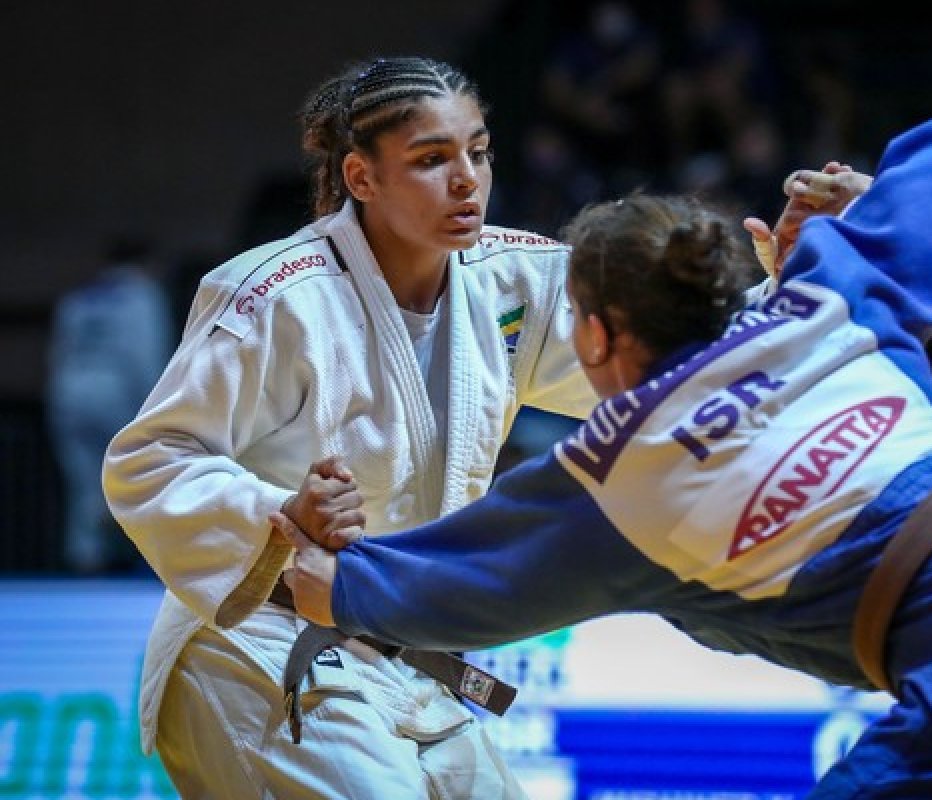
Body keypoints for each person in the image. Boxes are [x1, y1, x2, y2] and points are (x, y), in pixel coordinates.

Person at [273, 120, 932, 797]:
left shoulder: (610, 483)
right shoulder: (832, 295)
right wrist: (866, 209)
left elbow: (366, 589)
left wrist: (310, 550)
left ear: (593, 336)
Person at [102, 56, 604, 798]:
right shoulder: (276, 294)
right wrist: (281, 517)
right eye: (432, 159)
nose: (467, 178)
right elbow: (150, 459)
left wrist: (795, 274)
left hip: (404, 656)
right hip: (257, 645)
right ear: (361, 178)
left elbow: (658, 347)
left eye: (478, 150)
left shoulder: (514, 282)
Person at [47, 236, 173, 574]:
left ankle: (85, 561)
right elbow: (144, 354)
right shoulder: (141, 294)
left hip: (69, 390)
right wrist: (155, 408)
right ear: (148, 263)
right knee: (135, 475)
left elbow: (59, 351)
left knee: (84, 482)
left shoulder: (79, 297)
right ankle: (141, 562)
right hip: (117, 391)